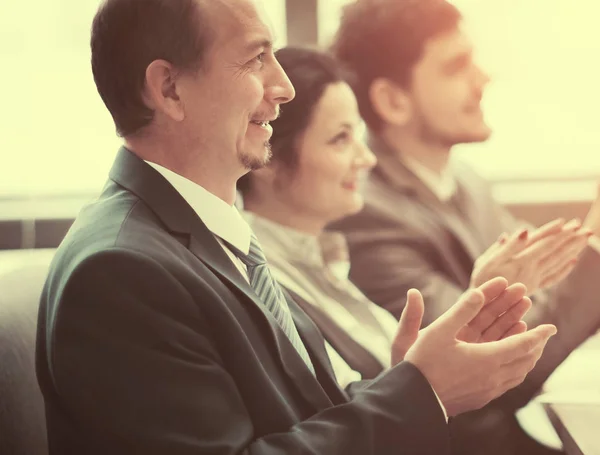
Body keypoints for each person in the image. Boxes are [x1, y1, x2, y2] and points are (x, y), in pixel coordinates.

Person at [35, 1, 556, 454]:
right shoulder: (121, 271)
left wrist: (408, 378)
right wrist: (423, 391)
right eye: (256, 58)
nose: (282, 87)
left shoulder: (214, 233)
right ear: (169, 89)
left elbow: (305, 416)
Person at [329, 0, 600, 453]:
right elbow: (489, 372)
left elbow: (553, 283)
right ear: (393, 101)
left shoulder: (466, 181)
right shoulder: (364, 217)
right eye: (456, 67)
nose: (483, 78)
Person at [239, 47, 585, 389]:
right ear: (268, 157)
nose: (367, 159)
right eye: (340, 139)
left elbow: (402, 385)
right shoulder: (261, 280)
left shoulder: (325, 260)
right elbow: (362, 406)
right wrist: (478, 306)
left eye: (357, 136)